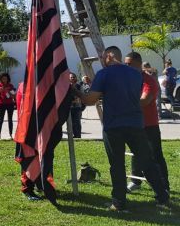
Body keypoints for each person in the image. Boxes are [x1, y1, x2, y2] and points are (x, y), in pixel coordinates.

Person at [79, 46, 169, 211]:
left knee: (117, 165)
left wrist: (74, 92)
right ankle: (162, 197)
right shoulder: (136, 74)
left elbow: (90, 100)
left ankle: (119, 202)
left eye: (104, 57)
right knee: (147, 161)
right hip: (136, 124)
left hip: (114, 126)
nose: (102, 60)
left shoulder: (103, 74)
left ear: (111, 56)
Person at [124, 52, 170, 193]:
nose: (127, 66)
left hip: (149, 125)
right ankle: (136, 182)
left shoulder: (148, 81)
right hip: (133, 123)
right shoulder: (127, 79)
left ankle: (164, 186)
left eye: (129, 64)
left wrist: (122, 102)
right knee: (135, 153)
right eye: (126, 64)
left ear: (139, 63)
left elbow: (144, 101)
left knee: (155, 155)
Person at [0, 73, 15, 139]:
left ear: (8, 79)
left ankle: (11, 134)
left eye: (6, 78)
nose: (4, 80)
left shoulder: (10, 86)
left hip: (10, 104)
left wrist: (8, 91)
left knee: (10, 119)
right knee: (1, 119)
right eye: (3, 79)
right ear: (0, 79)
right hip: (1, 104)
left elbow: (14, 96)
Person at [69, 73, 84, 138]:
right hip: (69, 107)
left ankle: (77, 136)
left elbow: (82, 95)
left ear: (76, 78)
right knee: (70, 123)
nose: (72, 78)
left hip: (77, 107)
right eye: (71, 77)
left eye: (73, 77)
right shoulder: (66, 86)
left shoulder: (79, 86)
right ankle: (71, 135)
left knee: (77, 122)